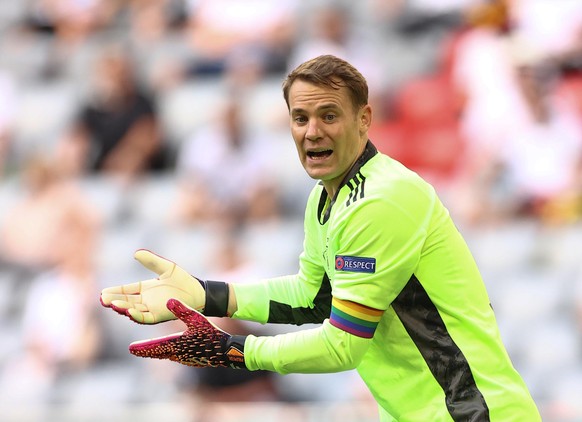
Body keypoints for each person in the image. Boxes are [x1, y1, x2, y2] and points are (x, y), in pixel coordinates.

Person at [101, 55, 541, 421]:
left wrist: (233, 351)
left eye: (329, 115)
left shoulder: (382, 200)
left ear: (365, 119)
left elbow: (342, 345)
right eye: (301, 118)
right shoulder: (324, 198)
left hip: (475, 414)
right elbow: (313, 297)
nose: (312, 131)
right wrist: (206, 295)